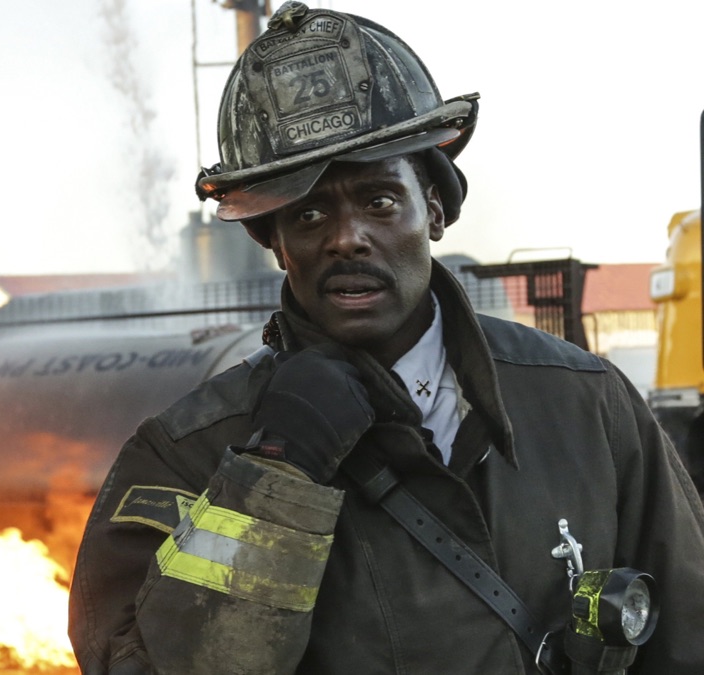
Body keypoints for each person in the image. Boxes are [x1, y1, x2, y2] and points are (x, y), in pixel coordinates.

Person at [67, 3, 704, 673]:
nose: (347, 236)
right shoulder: (187, 453)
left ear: (433, 208)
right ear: (275, 240)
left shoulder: (587, 407)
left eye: (379, 200)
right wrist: (275, 475)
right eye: (310, 212)